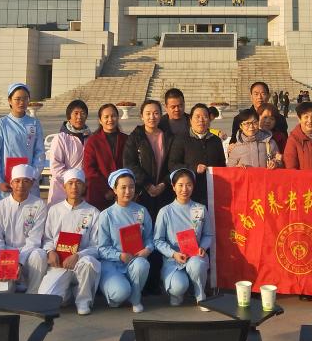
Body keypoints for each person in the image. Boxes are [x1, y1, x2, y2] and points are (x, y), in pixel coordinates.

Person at [38, 168, 100, 315]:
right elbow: (48, 238)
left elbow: (97, 246)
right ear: (64, 186)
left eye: (78, 183)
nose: (74, 187)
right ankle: (68, 293)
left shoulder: (93, 212)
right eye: (70, 183)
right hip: (60, 264)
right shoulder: (54, 210)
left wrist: (78, 255)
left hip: (81, 262)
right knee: (46, 300)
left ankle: (83, 300)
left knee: (89, 263)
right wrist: (50, 251)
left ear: (84, 186)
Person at [96, 168, 154, 313]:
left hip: (134, 261)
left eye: (131, 187)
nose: (128, 191)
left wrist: (147, 249)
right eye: (123, 187)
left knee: (142, 264)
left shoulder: (141, 211)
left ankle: (135, 299)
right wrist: (119, 255)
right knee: (120, 293)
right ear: (114, 190)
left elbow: (149, 238)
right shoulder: (106, 215)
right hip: (112, 264)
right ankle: (119, 294)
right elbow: (102, 248)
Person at [153, 168, 214, 308]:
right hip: (173, 259)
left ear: (193, 186)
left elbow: (208, 234)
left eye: (189, 185)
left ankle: (200, 295)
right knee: (178, 287)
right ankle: (177, 293)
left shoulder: (200, 209)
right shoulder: (165, 212)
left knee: (197, 265)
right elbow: (158, 240)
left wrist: (203, 247)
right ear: (173, 187)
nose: (184, 189)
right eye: (180, 185)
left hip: (195, 256)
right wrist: (173, 254)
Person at [0, 163, 48, 295]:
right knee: (3, 291)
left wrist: (19, 262)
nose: (21, 185)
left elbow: (34, 239)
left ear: (32, 183)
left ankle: (32, 293)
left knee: (40, 255)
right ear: (11, 183)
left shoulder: (39, 205)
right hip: (6, 255)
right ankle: (15, 283)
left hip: (29, 255)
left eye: (25, 181)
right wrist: (3, 264)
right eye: (17, 181)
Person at [0, 82, 46, 199]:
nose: (21, 102)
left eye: (25, 99)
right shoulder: (1, 124)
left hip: (28, 180)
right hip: (6, 180)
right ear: (9, 101)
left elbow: (39, 153)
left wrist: (33, 176)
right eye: (17, 99)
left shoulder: (34, 123)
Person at [123, 99, 173, 219]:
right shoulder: (135, 137)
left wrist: (164, 183)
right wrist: (147, 185)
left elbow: (173, 163)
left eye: (156, 113)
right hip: (142, 192)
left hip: (165, 191)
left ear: (161, 115)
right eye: (148, 113)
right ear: (142, 116)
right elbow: (130, 163)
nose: (152, 117)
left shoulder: (169, 137)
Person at [168, 103, 226, 205]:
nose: (201, 120)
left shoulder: (216, 140)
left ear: (209, 120)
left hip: (212, 193)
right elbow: (172, 165)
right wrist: (194, 168)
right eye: (197, 117)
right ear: (190, 120)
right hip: (189, 194)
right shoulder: (181, 139)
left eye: (205, 117)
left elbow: (222, 166)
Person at [83, 103, 128, 211]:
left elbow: (129, 165)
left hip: (122, 193)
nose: (110, 119)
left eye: (113, 116)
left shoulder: (126, 139)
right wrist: (106, 189)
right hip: (99, 193)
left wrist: (119, 188)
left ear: (118, 117)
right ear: (100, 120)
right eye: (106, 117)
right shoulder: (93, 141)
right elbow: (89, 169)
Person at [46, 105, 85, 206]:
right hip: (61, 189)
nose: (79, 117)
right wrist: (73, 180)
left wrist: (82, 182)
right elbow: (56, 167)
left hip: (82, 189)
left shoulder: (90, 137)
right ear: (69, 117)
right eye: (76, 113)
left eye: (83, 113)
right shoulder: (60, 138)